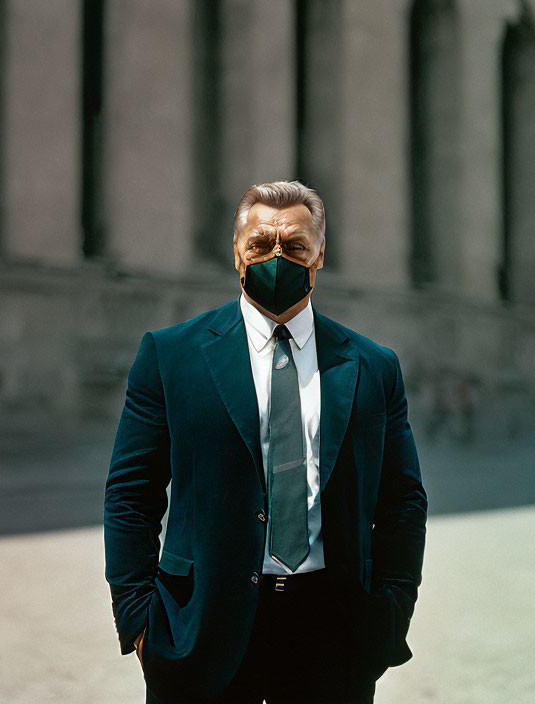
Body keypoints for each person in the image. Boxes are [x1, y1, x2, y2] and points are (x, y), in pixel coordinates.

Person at [104, 180, 427, 703]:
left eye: (296, 246)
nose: (277, 257)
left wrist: (391, 610)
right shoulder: (171, 356)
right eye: (260, 244)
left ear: (319, 256)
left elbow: (403, 503)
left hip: (332, 633)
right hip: (200, 630)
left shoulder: (372, 366)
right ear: (237, 253)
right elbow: (129, 496)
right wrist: (139, 619)